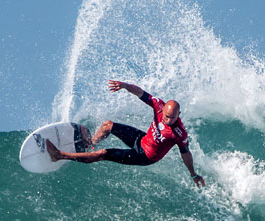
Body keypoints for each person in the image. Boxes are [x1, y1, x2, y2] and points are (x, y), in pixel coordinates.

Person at [45, 80, 206, 188]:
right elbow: (141, 93)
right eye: (167, 117)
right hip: (142, 139)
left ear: (179, 115)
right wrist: (125, 86)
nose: (169, 120)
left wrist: (193, 174)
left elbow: (186, 153)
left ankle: (59, 155)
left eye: (173, 118)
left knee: (103, 154)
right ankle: (90, 144)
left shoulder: (179, 133)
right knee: (108, 125)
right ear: (163, 110)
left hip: (145, 156)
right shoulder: (158, 105)